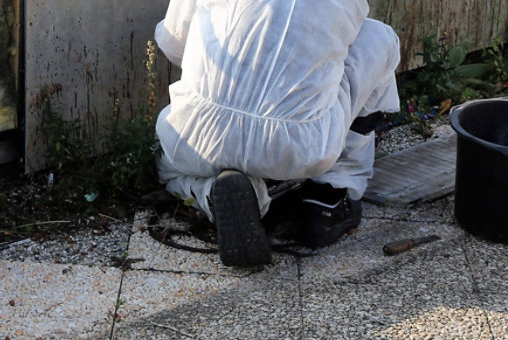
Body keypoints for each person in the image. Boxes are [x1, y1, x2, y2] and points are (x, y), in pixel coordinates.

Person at [153, 0, 401, 266]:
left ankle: (212, 194)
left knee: (167, 165)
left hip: (198, 135)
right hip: (300, 148)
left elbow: (173, 43)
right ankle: (332, 195)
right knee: (380, 38)